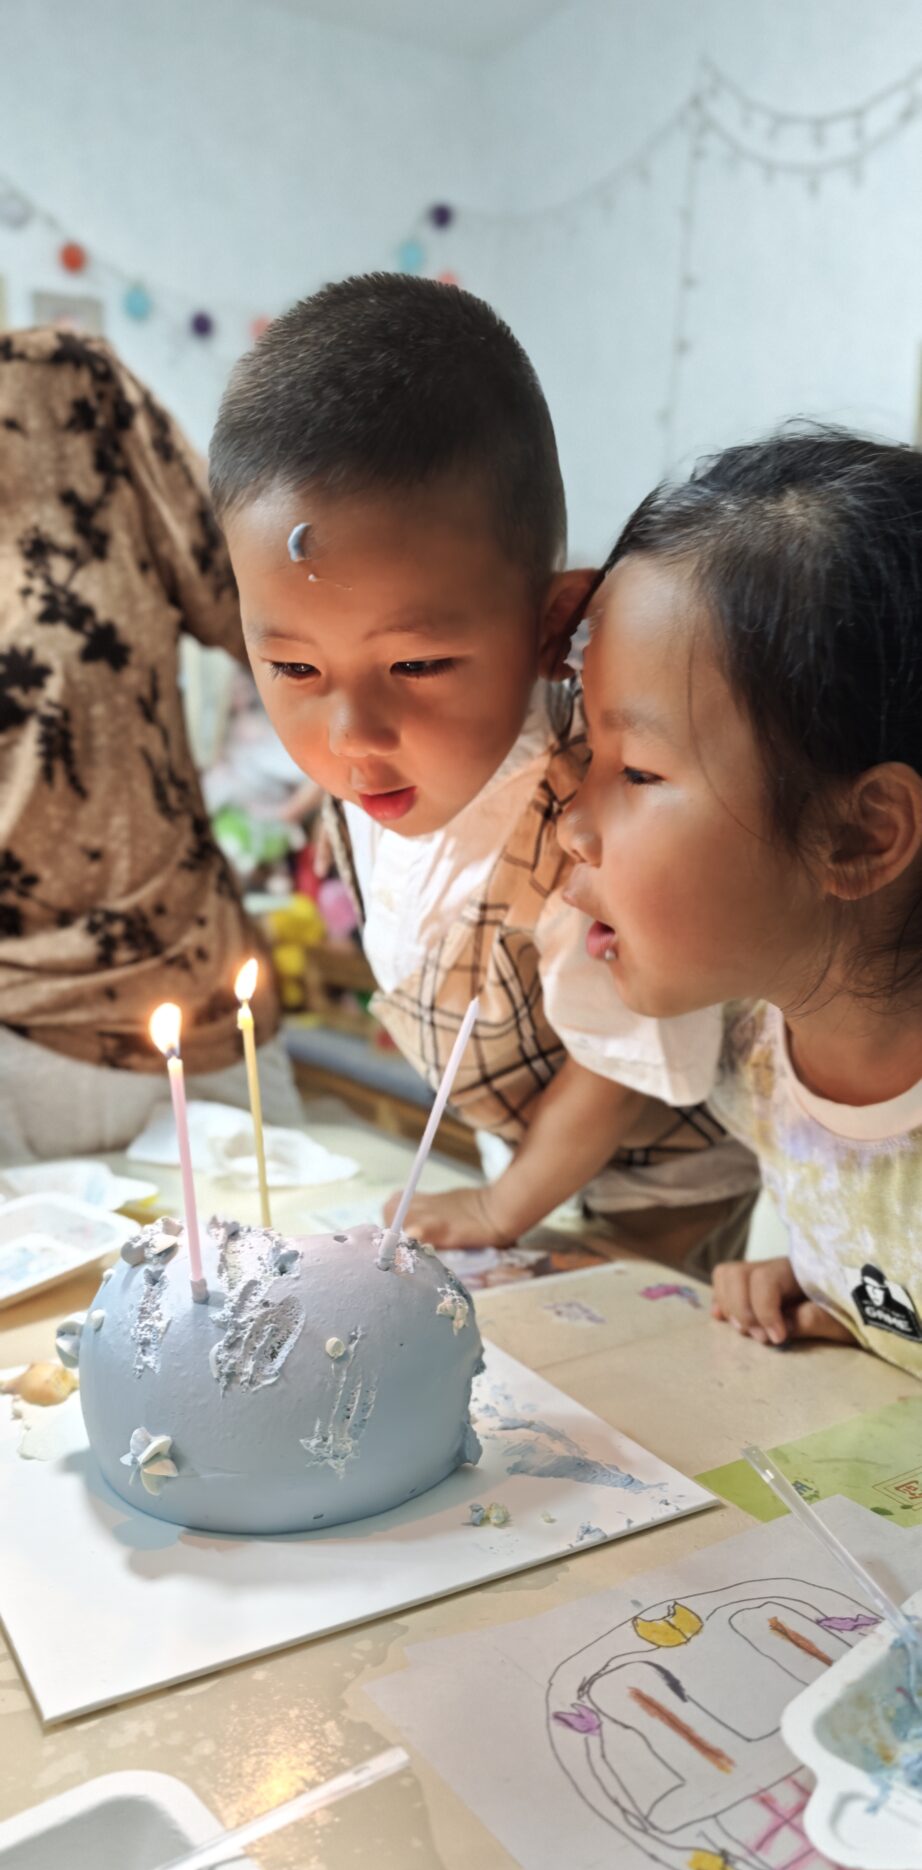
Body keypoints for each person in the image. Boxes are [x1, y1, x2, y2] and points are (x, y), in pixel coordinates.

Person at [209, 273, 757, 1275]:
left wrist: (503, 1204)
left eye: (417, 664)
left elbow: (617, 1068)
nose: (353, 736)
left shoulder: (593, 820)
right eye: (293, 668)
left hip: (660, 1193)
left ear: (551, 625)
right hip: (535, 1163)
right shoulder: (376, 771)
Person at [557, 428, 922, 1372]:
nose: (571, 825)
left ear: (860, 834)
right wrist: (839, 1289)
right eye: (587, 754)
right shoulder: (750, 1057)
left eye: (637, 772)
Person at [0, 328, 302, 1162]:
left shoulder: (61, 384)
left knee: (298, 1242)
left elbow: (272, 612)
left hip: (196, 984)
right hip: (13, 1031)